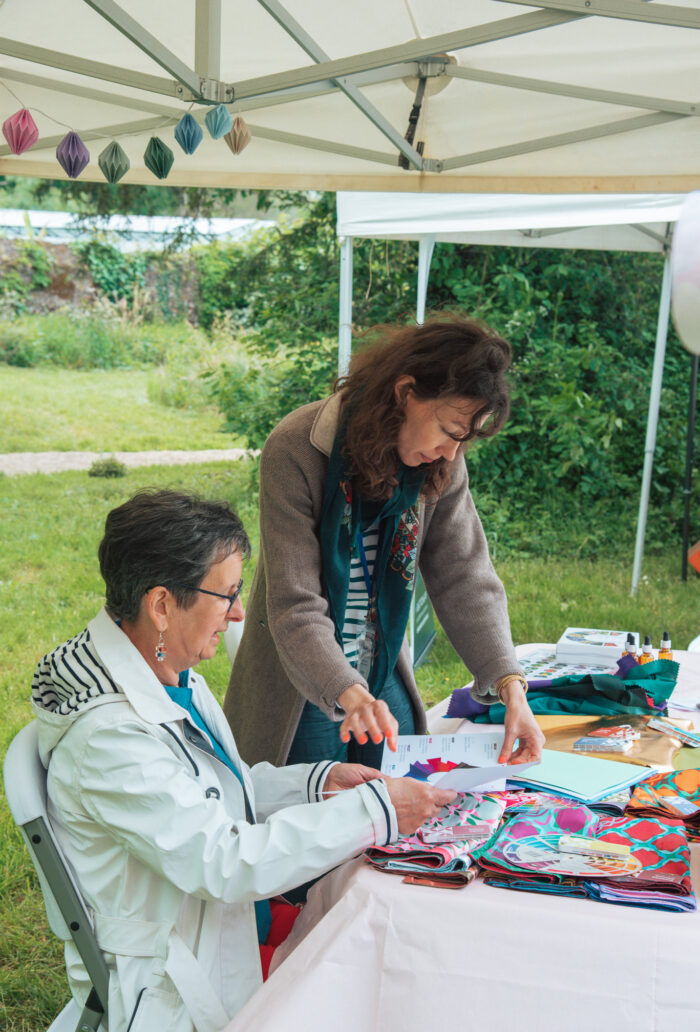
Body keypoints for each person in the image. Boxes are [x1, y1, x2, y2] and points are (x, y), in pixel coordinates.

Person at [31, 490, 454, 1032]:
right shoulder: (108, 738)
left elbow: (209, 793)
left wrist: (317, 784)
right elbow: (225, 863)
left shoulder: (166, 677)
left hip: (219, 932)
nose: (237, 614)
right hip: (182, 979)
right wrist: (375, 812)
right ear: (162, 605)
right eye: (226, 595)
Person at [223, 316, 545, 769]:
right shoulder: (295, 448)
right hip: (306, 682)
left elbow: (465, 577)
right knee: (315, 818)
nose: (452, 454)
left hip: (382, 666)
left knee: (402, 816)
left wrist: (512, 689)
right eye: (450, 431)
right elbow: (296, 605)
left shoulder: (439, 464)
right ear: (405, 392)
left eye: (464, 441)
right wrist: (351, 694)